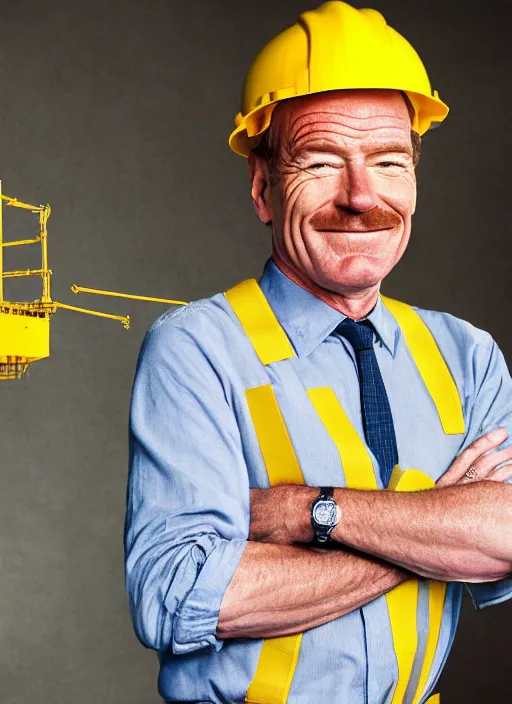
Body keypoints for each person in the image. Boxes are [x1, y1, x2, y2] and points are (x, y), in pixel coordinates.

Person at [124, 2, 512, 702]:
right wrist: (438, 528)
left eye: (389, 161)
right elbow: (180, 596)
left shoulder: (468, 354)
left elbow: (505, 539)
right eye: (322, 161)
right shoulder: (197, 350)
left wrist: (314, 513)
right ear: (262, 188)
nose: (362, 196)